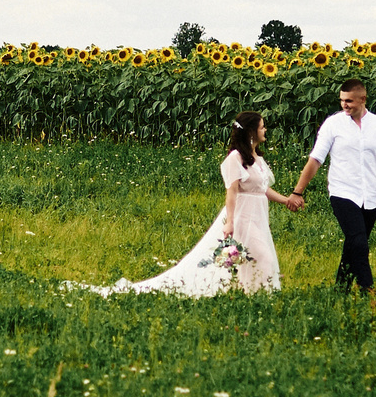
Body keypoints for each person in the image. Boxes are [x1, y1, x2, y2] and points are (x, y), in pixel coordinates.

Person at [68, 111, 301, 297]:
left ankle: (252, 292)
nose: (265, 130)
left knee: (256, 255)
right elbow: (231, 193)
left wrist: (286, 200)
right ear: (251, 131)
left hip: (258, 215)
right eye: (262, 127)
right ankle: (258, 293)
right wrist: (230, 222)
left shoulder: (257, 158)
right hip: (243, 216)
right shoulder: (235, 159)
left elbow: (262, 189)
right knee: (259, 255)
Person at [287, 78, 376, 292]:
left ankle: (340, 290)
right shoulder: (333, 124)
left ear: (363, 99)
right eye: (342, 100)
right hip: (342, 193)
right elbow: (315, 159)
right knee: (359, 242)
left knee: (353, 245)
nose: (344, 105)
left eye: (349, 101)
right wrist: (297, 191)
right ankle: (367, 288)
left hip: (370, 197)